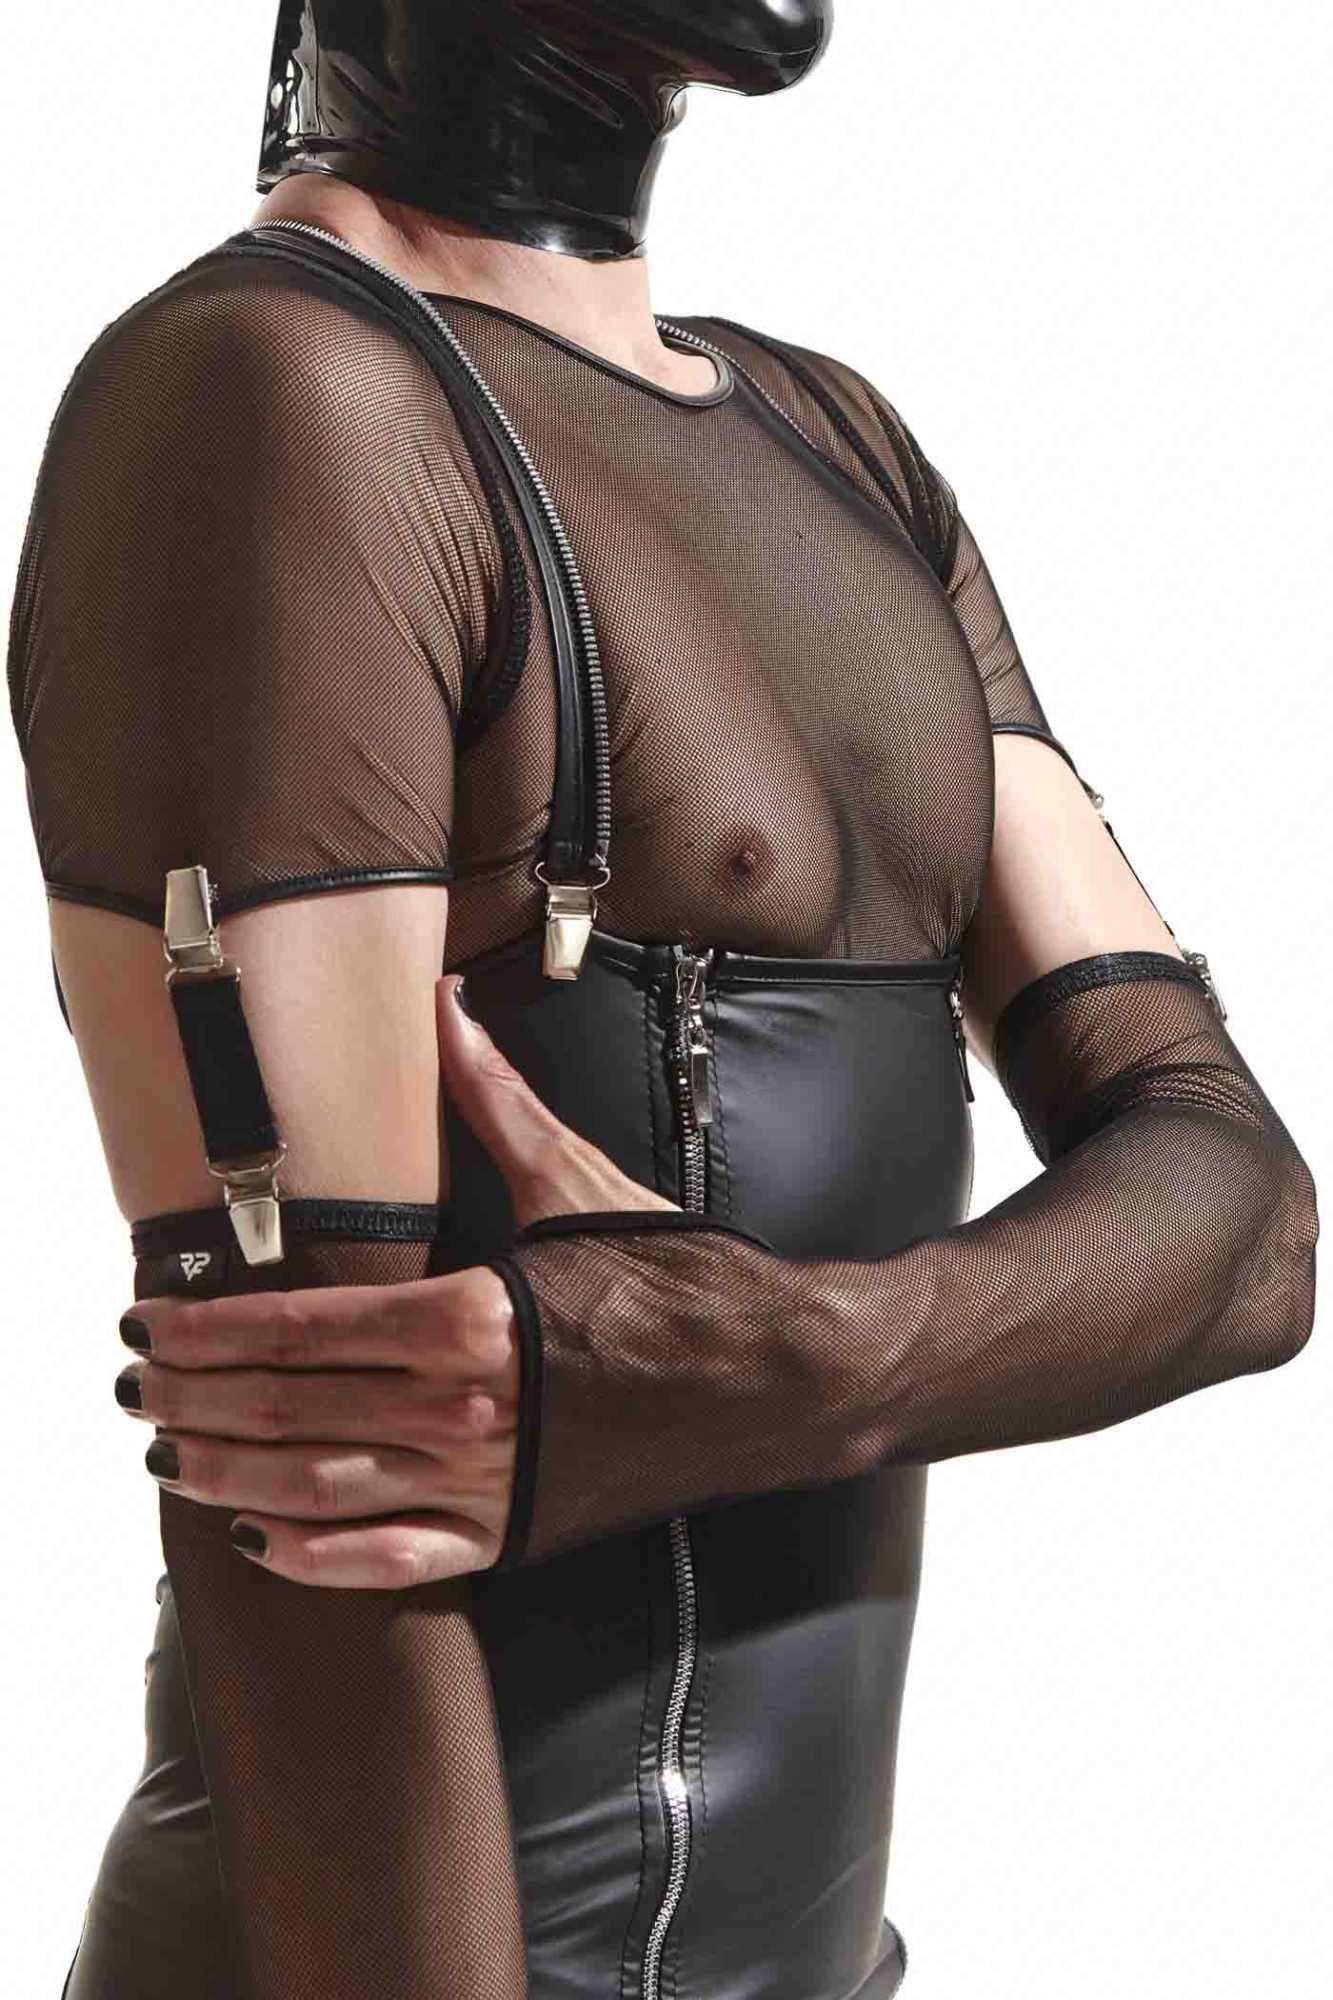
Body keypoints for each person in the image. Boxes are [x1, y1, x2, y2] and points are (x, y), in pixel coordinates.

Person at [7, 5, 1317, 1998]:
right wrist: (846, 1363)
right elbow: (304, 1528)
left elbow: (1242, 1222)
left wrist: (799, 1360)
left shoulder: (834, 444)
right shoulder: (280, 399)